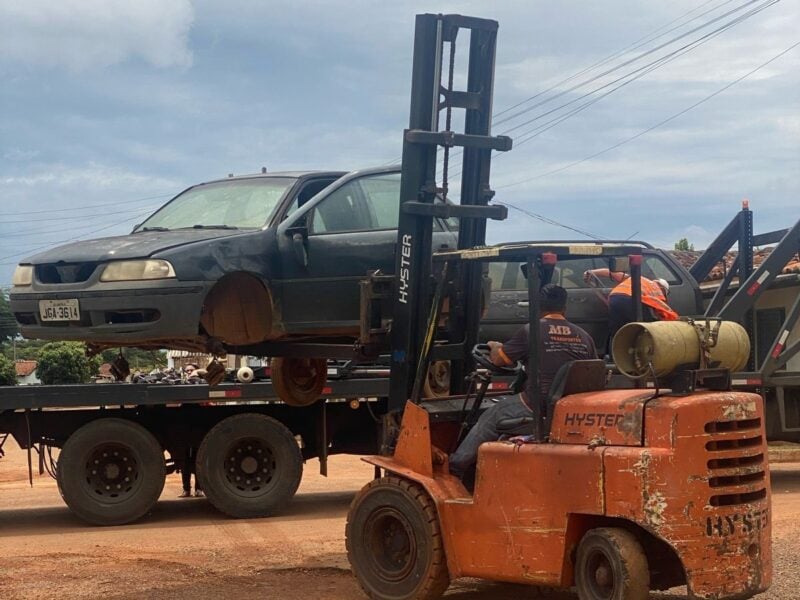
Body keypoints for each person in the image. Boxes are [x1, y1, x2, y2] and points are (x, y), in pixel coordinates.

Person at [449, 284, 597, 478]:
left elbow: (499, 360)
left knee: (493, 414)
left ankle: (455, 468)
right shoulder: (585, 337)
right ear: (564, 308)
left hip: (538, 406)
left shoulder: (531, 331)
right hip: (568, 408)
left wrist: (494, 346)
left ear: (538, 307)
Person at [583, 267, 678, 350]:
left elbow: (613, 273)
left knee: (616, 332)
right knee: (647, 327)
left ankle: (614, 357)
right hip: (630, 299)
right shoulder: (658, 291)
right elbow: (662, 313)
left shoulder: (639, 278)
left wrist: (592, 272)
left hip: (614, 297)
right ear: (663, 288)